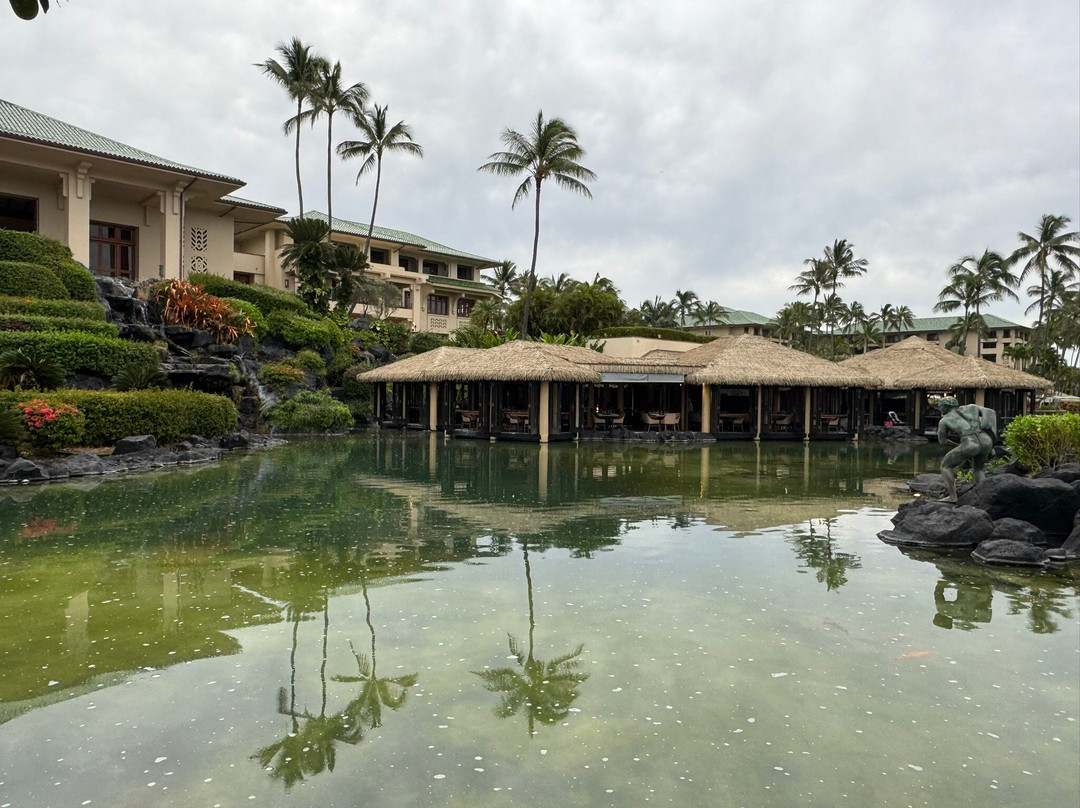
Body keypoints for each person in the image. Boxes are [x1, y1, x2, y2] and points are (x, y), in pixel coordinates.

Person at [935, 396, 997, 503]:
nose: (940, 409)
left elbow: (943, 441)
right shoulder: (972, 408)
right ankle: (984, 496)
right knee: (978, 469)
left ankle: (952, 497)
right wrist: (984, 425)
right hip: (986, 440)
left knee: (945, 466)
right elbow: (991, 412)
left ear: (945, 406)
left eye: (940, 407)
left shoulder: (944, 421)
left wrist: (958, 446)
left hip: (970, 442)